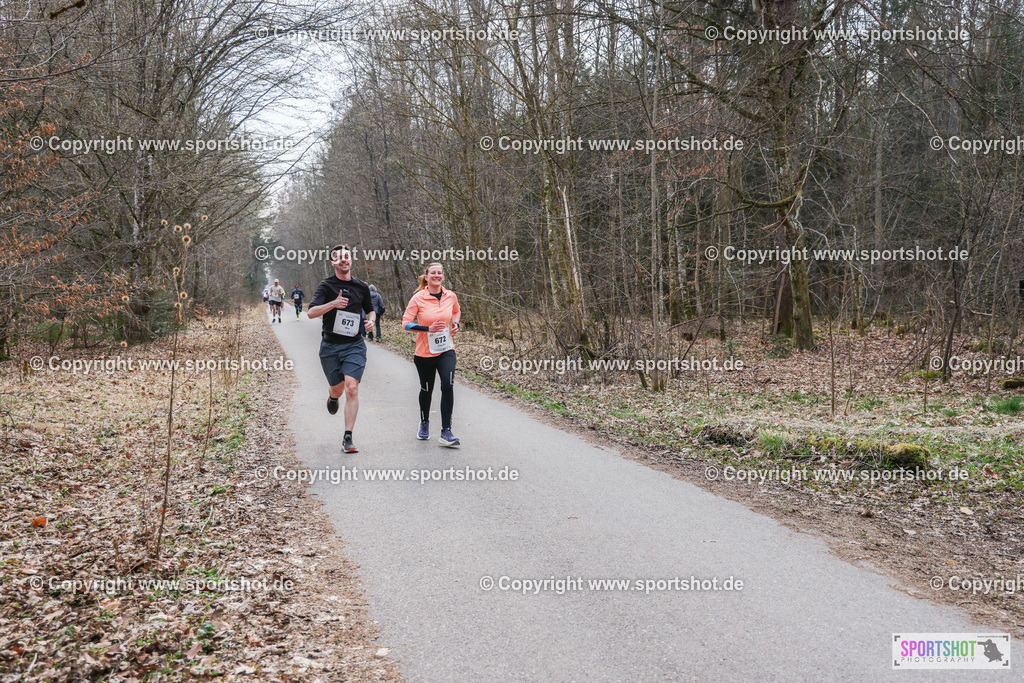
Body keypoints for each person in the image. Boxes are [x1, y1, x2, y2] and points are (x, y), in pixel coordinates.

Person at [307, 245, 376, 454]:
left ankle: (348, 438)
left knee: (352, 387)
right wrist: (333, 303)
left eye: (346, 257)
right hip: (330, 346)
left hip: (354, 345)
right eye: (338, 258)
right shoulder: (326, 286)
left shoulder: (361, 286)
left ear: (351, 260)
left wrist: (371, 321)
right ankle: (333, 396)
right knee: (338, 388)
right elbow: (311, 312)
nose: (343, 260)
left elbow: (371, 310)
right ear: (332, 262)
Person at [402, 263, 461, 447]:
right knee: (426, 389)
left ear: (442, 276)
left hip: (446, 350)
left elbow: (456, 310)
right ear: (426, 277)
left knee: (447, 385)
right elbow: (406, 323)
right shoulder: (418, 298)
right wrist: (428, 329)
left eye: (439, 273)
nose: (436, 275)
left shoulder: (450, 296)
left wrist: (456, 324)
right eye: (433, 273)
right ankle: (425, 423)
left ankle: (446, 431)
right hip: (424, 353)